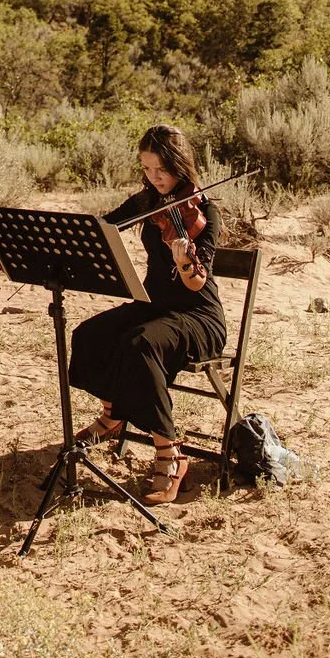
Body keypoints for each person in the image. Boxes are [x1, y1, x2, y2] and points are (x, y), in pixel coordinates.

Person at [68, 124, 226, 506]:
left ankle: (170, 454)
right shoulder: (146, 201)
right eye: (147, 169)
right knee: (90, 334)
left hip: (197, 315)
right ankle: (113, 414)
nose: (154, 178)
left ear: (180, 166)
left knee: (140, 344)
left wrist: (185, 260)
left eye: (161, 170)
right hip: (154, 307)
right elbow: (106, 225)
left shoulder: (205, 212)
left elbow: (194, 284)